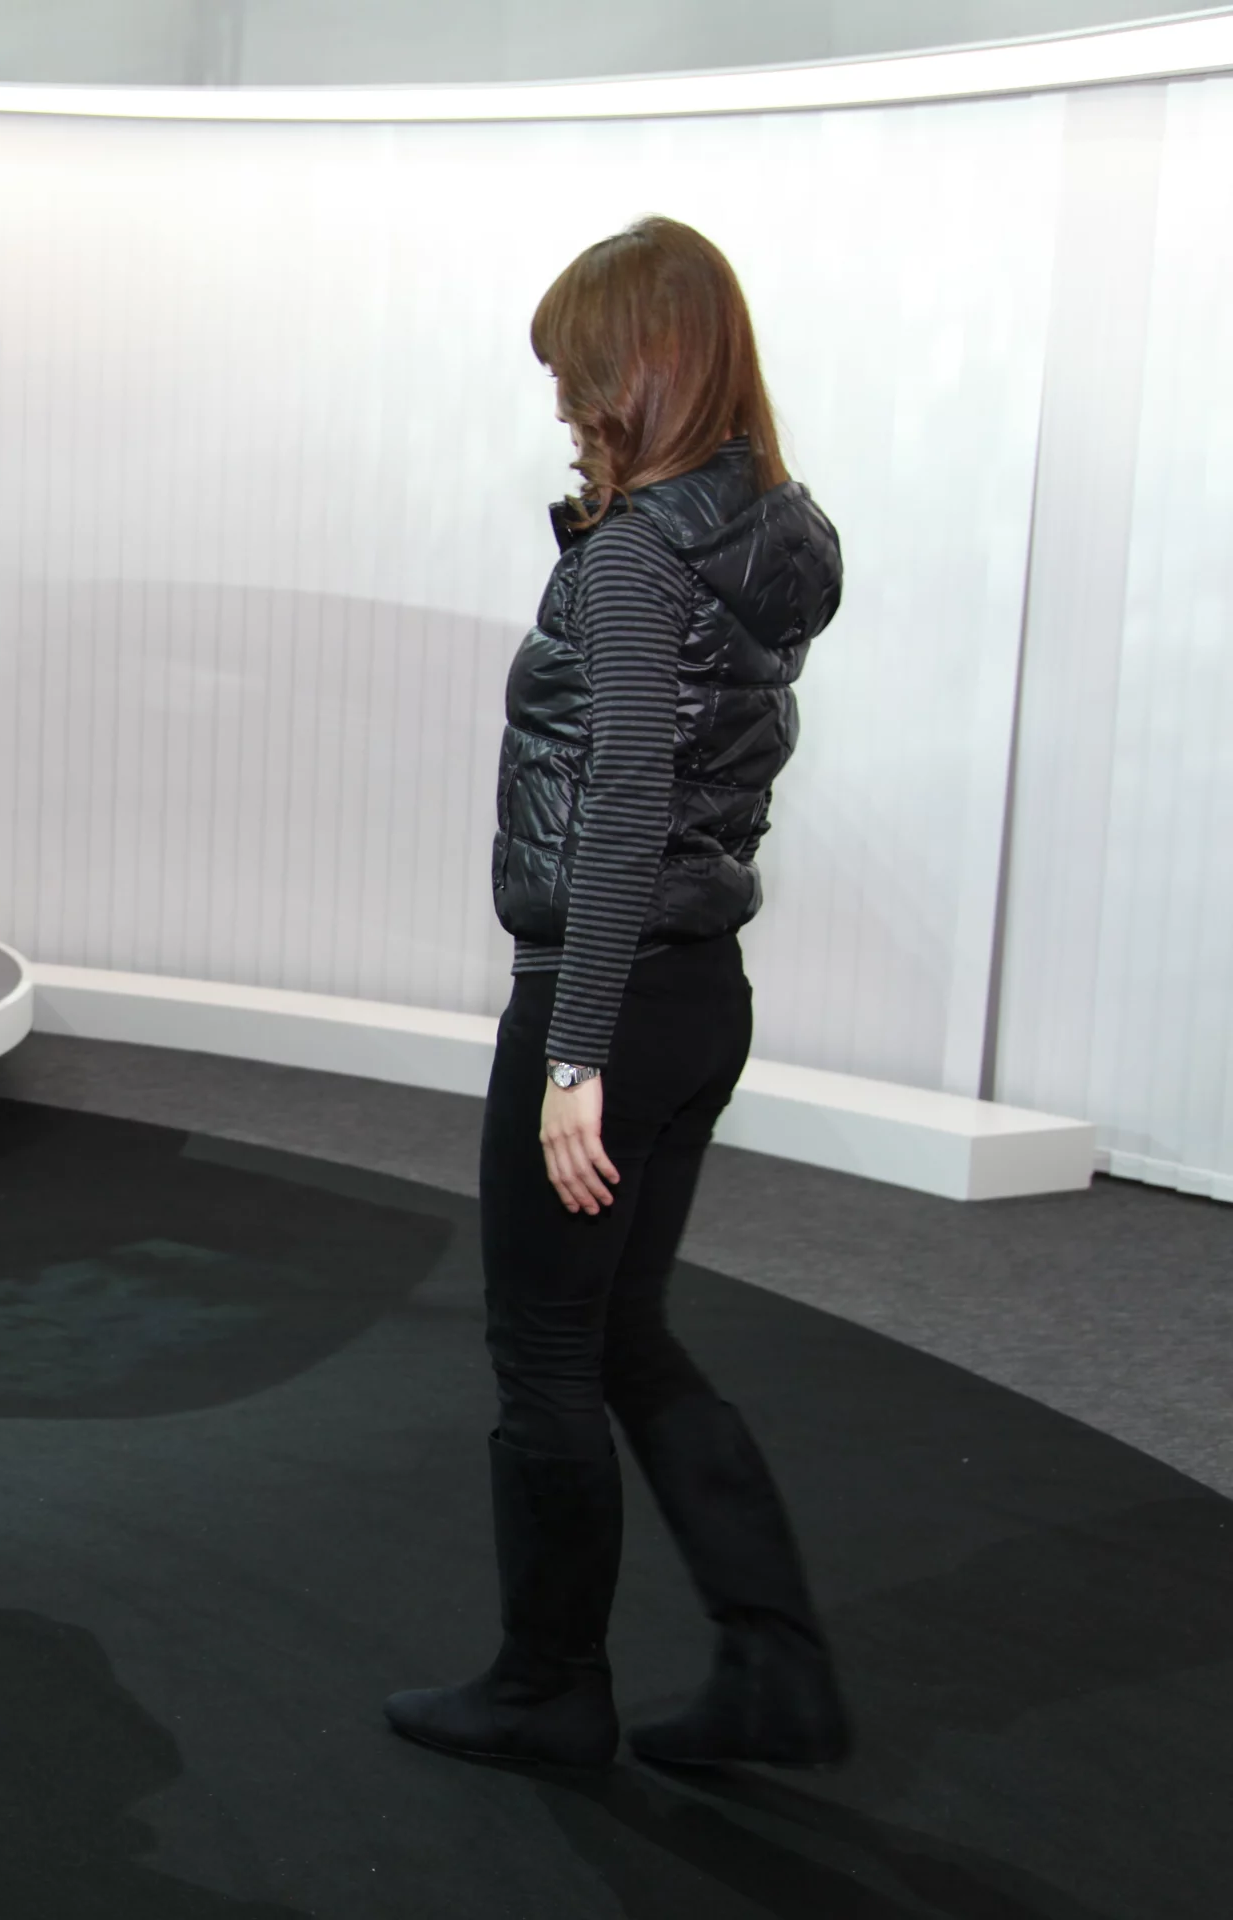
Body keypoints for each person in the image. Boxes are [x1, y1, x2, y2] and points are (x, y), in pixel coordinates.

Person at [384, 217, 851, 1771]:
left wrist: (569, 1053)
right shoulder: (766, 530)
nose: (567, 407)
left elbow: (633, 794)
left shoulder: (643, 559)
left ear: (643, 368)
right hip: (699, 994)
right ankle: (777, 1670)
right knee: (628, 1334)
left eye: (580, 377)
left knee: (547, 1354)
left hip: (609, 1001)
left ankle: (545, 1687)